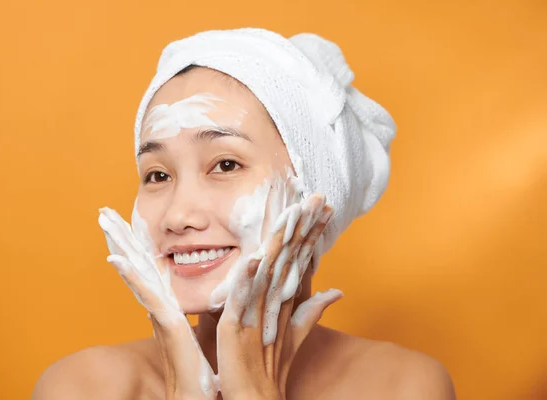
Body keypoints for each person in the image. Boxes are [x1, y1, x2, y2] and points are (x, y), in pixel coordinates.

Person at [32, 28, 456, 399]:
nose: (177, 216)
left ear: (314, 196)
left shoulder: (402, 387)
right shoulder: (81, 388)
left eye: (226, 165)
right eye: (158, 174)